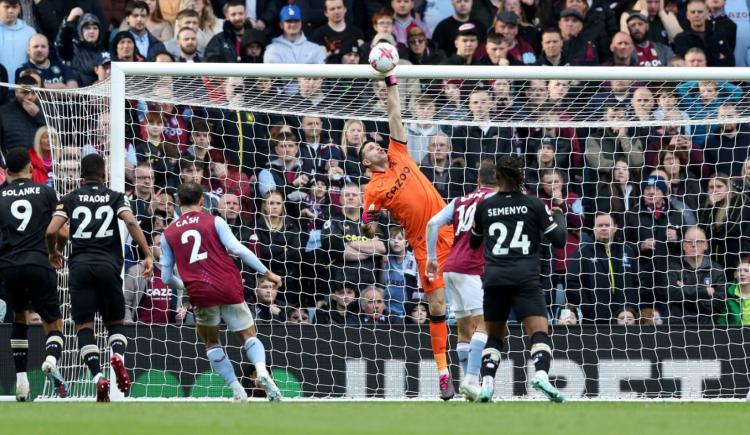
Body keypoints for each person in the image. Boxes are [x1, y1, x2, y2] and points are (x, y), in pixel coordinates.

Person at [359, 70, 456, 399]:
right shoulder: (373, 189)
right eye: (371, 148)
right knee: (437, 305)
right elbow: (368, 225)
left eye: (377, 144)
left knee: (478, 297)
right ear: (365, 162)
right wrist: (368, 225)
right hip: (425, 246)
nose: (378, 148)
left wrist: (391, 82)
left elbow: (394, 113)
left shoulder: (398, 153)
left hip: (451, 229)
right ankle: (444, 372)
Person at [160, 182, 283, 401]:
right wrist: (268, 273)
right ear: (202, 202)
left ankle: (237, 390)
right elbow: (237, 249)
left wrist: (185, 285)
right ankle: (261, 370)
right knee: (248, 335)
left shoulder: (168, 233)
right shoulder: (214, 220)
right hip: (227, 284)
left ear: (178, 202)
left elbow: (166, 278)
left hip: (200, 292)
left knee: (211, 343)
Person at [45, 154, 154, 402]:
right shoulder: (115, 197)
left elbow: (52, 230)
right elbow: (132, 223)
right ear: (104, 175)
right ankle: (118, 355)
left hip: (80, 268)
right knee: (115, 322)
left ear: (82, 175)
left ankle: (98, 378)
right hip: (109, 267)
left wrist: (54, 251)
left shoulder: (69, 199)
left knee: (84, 326)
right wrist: (147, 254)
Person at [469, 155, 568, 403]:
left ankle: (487, 384)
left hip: (495, 278)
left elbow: (473, 242)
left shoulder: (485, 206)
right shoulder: (534, 205)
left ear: (497, 177)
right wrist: (558, 216)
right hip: (526, 278)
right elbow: (559, 240)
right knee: (538, 332)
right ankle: (542, 376)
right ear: (521, 175)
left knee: (494, 337)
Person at [0, 149, 68, 401]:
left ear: (6, 172)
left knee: (20, 319)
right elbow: (60, 231)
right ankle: (51, 359)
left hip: (10, 266)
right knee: (54, 322)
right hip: (39, 262)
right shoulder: (45, 191)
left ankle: (21, 383)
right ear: (31, 168)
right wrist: (57, 251)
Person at [425, 161, 497, 401]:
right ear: (498, 181)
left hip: (450, 267)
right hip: (472, 269)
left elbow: (432, 223)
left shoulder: (459, 201)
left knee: (464, 329)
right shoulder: (494, 201)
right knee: (485, 325)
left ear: (478, 180)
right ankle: (470, 379)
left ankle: (469, 388)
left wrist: (432, 258)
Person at [566, 212, 641, 323]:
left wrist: (632, 307)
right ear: (594, 229)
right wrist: (588, 306)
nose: (603, 228)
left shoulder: (628, 250)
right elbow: (571, 283)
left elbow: (636, 282)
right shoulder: (583, 252)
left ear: (615, 228)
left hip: (624, 318)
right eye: (600, 226)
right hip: (595, 320)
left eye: (607, 225)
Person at [667, 226, 726, 324]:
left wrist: (685, 289)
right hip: (678, 326)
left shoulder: (716, 270)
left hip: (706, 326)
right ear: (683, 245)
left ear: (706, 245)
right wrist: (704, 292)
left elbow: (719, 304)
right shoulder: (674, 268)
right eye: (689, 242)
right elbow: (671, 294)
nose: (694, 245)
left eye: (698, 241)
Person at [0, 75, 46, 154]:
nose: (30, 97)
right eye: (25, 92)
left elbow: (55, 135)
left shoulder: (45, 109)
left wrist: (37, 115)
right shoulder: (2, 112)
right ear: (16, 92)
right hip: (13, 162)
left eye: (34, 93)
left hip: (41, 161)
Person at [0, 0, 36, 84]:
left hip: (23, 87)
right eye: (7, 7)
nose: (11, 10)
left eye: (14, 7)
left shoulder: (30, 32)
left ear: (19, 8)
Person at [717, 257, 750, 325]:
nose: (742, 274)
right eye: (739, 270)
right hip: (734, 334)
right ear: (735, 274)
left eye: (746, 270)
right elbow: (720, 320)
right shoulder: (726, 292)